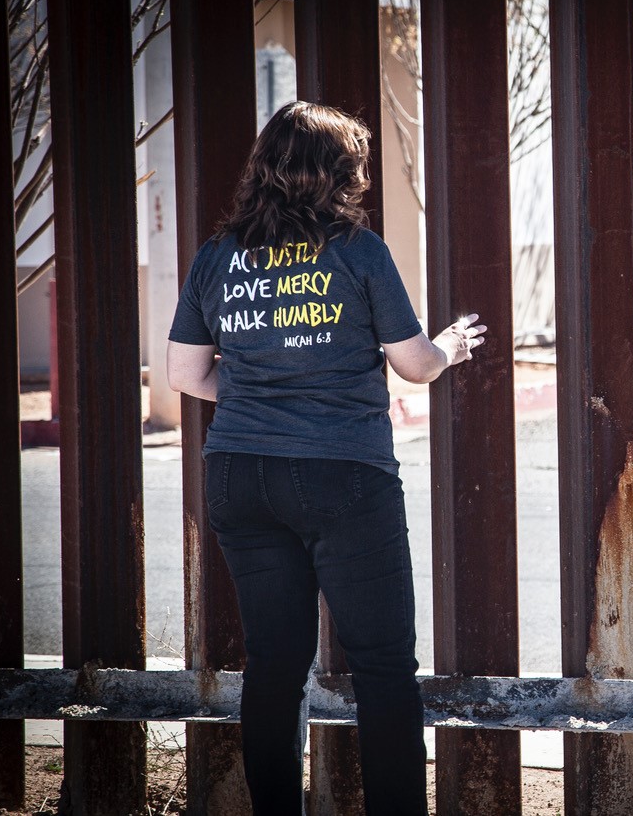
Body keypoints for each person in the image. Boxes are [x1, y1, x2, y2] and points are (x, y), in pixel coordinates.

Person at [166, 100, 482, 815]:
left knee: (274, 666)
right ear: (336, 174)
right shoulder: (356, 248)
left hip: (240, 473)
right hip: (345, 474)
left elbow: (185, 375)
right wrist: (451, 345)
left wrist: (260, 396)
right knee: (382, 667)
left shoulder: (218, 255)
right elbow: (413, 363)